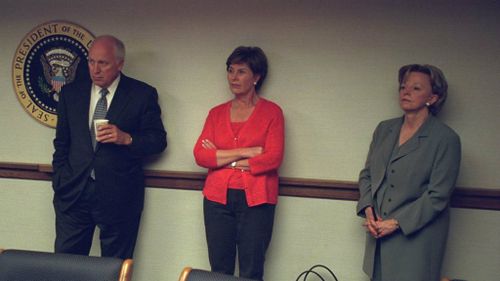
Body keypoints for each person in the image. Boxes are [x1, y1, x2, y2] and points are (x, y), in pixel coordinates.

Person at [52, 35, 167, 259]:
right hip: (74, 192)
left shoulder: (142, 94)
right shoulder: (71, 94)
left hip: (119, 196)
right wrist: (60, 180)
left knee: (114, 267)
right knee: (65, 265)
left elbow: (158, 140)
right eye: (91, 61)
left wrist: (127, 138)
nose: (95, 69)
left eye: (102, 63)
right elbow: (62, 143)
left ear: (119, 64)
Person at [356, 64, 461, 281]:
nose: (406, 92)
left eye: (416, 88)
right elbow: (367, 174)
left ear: (433, 97)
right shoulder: (384, 129)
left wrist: (395, 223)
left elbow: (438, 196)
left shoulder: (446, 139)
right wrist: (368, 209)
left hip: (417, 239)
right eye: (403, 87)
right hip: (378, 236)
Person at [193, 46, 284, 280]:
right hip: (216, 200)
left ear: (256, 77)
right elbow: (201, 156)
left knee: (251, 271)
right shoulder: (216, 113)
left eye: (241, 71)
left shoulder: (272, 113)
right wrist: (247, 152)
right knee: (219, 270)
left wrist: (221, 158)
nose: (233, 77)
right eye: (230, 70)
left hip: (257, 200)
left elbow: (272, 158)